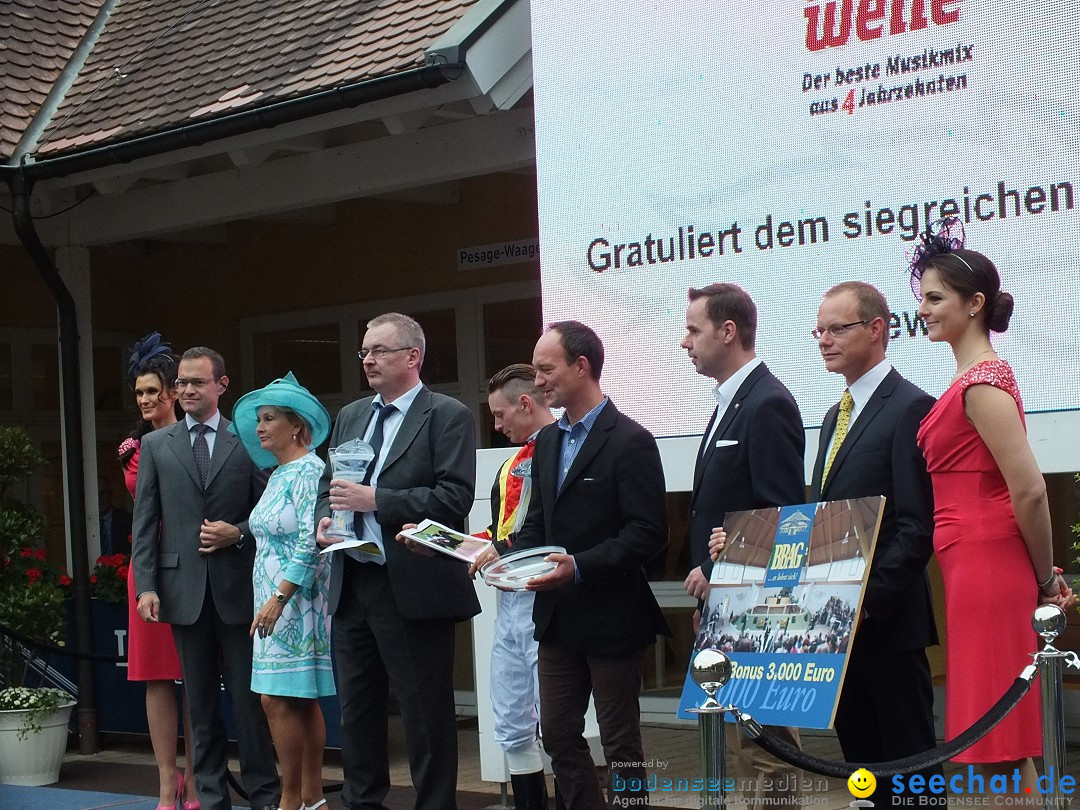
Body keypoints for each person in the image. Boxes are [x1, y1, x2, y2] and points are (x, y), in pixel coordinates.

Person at [910, 219, 1074, 789]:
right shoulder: (970, 378)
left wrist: (1044, 581)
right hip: (973, 563)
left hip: (986, 562)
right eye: (922, 298)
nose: (924, 309)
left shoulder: (982, 381)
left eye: (935, 298)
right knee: (1001, 741)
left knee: (996, 739)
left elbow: (1028, 488)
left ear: (974, 303)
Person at [484, 321, 669, 809]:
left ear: (581, 366)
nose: (538, 380)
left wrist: (579, 566)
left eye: (546, 369)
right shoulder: (546, 443)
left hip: (613, 618)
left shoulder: (630, 439)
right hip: (556, 619)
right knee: (560, 736)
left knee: (620, 745)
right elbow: (534, 530)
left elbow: (649, 533)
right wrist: (498, 559)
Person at [314, 312, 479, 810]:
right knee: (358, 711)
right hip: (351, 579)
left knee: (423, 713)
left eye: (378, 351)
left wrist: (377, 500)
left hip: (410, 582)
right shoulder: (351, 415)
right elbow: (331, 487)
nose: (367, 360)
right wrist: (326, 518)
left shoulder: (448, 415)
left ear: (412, 357)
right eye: (364, 351)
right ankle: (363, 803)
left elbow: (453, 498)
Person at [131, 346, 279, 810]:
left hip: (239, 590)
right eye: (182, 382)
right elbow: (145, 522)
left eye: (197, 382)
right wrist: (147, 586)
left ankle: (264, 796)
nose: (187, 390)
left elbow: (274, 513)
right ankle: (211, 800)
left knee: (248, 704)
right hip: (182, 591)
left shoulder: (249, 441)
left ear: (222, 385)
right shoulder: (156, 445)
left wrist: (239, 532)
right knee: (200, 707)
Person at [808, 282, 941, 797]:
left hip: (886, 625)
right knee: (864, 774)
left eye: (837, 328)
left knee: (910, 778)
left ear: (878, 329)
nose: (824, 340)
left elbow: (915, 525)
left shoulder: (910, 407)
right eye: (819, 330)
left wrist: (867, 602)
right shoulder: (830, 419)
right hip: (836, 629)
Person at [680, 283, 805, 807]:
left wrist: (722, 567)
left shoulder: (767, 402)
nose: (684, 342)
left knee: (765, 749)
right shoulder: (730, 403)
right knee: (741, 747)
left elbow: (782, 517)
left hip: (757, 608)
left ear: (728, 331)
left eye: (693, 330)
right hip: (725, 606)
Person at [231, 372, 334, 810]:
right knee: (296, 699)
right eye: (258, 419)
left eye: (269, 418)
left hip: (296, 599)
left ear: (296, 426)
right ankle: (312, 798)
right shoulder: (277, 475)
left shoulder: (310, 470)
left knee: (278, 698)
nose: (259, 427)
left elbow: (311, 540)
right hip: (272, 597)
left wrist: (280, 597)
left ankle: (291, 798)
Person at [469, 364, 556, 810]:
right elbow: (504, 531)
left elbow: (551, 528)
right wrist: (455, 545)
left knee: (560, 721)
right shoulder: (511, 463)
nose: (498, 426)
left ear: (526, 403)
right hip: (508, 602)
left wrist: (502, 550)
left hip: (549, 599)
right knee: (510, 715)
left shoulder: (562, 449)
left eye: (501, 416)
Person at [119, 333, 200, 810]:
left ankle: (199, 773)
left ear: (173, 391)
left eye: (153, 391)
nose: (146, 400)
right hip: (150, 567)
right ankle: (167, 783)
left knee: (195, 675)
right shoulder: (136, 447)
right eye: (139, 393)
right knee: (156, 678)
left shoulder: (200, 439)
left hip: (195, 564)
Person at [98, 474, 132, 558]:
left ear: (110, 494)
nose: (99, 498)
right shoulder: (84, 524)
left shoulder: (127, 520)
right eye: (95, 493)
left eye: (103, 492)